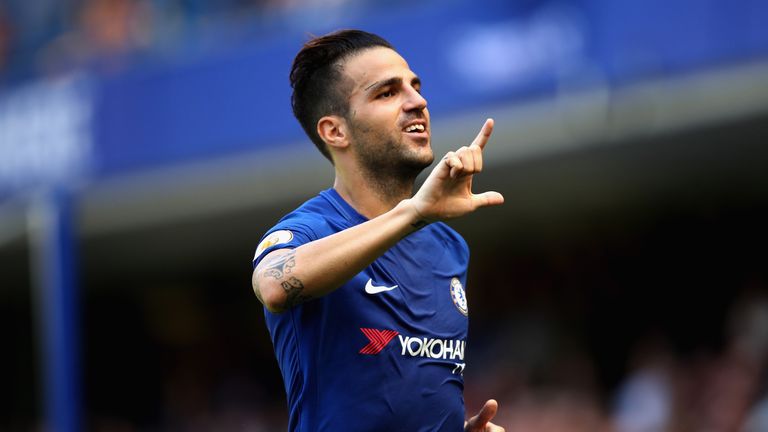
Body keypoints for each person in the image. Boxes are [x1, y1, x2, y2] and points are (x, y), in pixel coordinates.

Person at [251, 29, 505, 432]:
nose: (417, 102)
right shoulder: (311, 229)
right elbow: (274, 285)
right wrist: (413, 213)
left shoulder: (449, 246)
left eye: (415, 87)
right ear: (336, 131)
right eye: (387, 93)